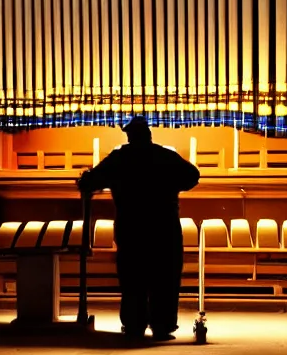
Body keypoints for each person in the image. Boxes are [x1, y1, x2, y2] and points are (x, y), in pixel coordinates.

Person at [78, 116, 200, 341]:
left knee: (133, 276)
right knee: (164, 276)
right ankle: (162, 327)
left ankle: (135, 325)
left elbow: (89, 181)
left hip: (131, 225)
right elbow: (193, 176)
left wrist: (85, 176)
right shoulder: (165, 156)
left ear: (129, 136)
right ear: (149, 135)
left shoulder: (120, 158)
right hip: (164, 225)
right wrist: (171, 187)